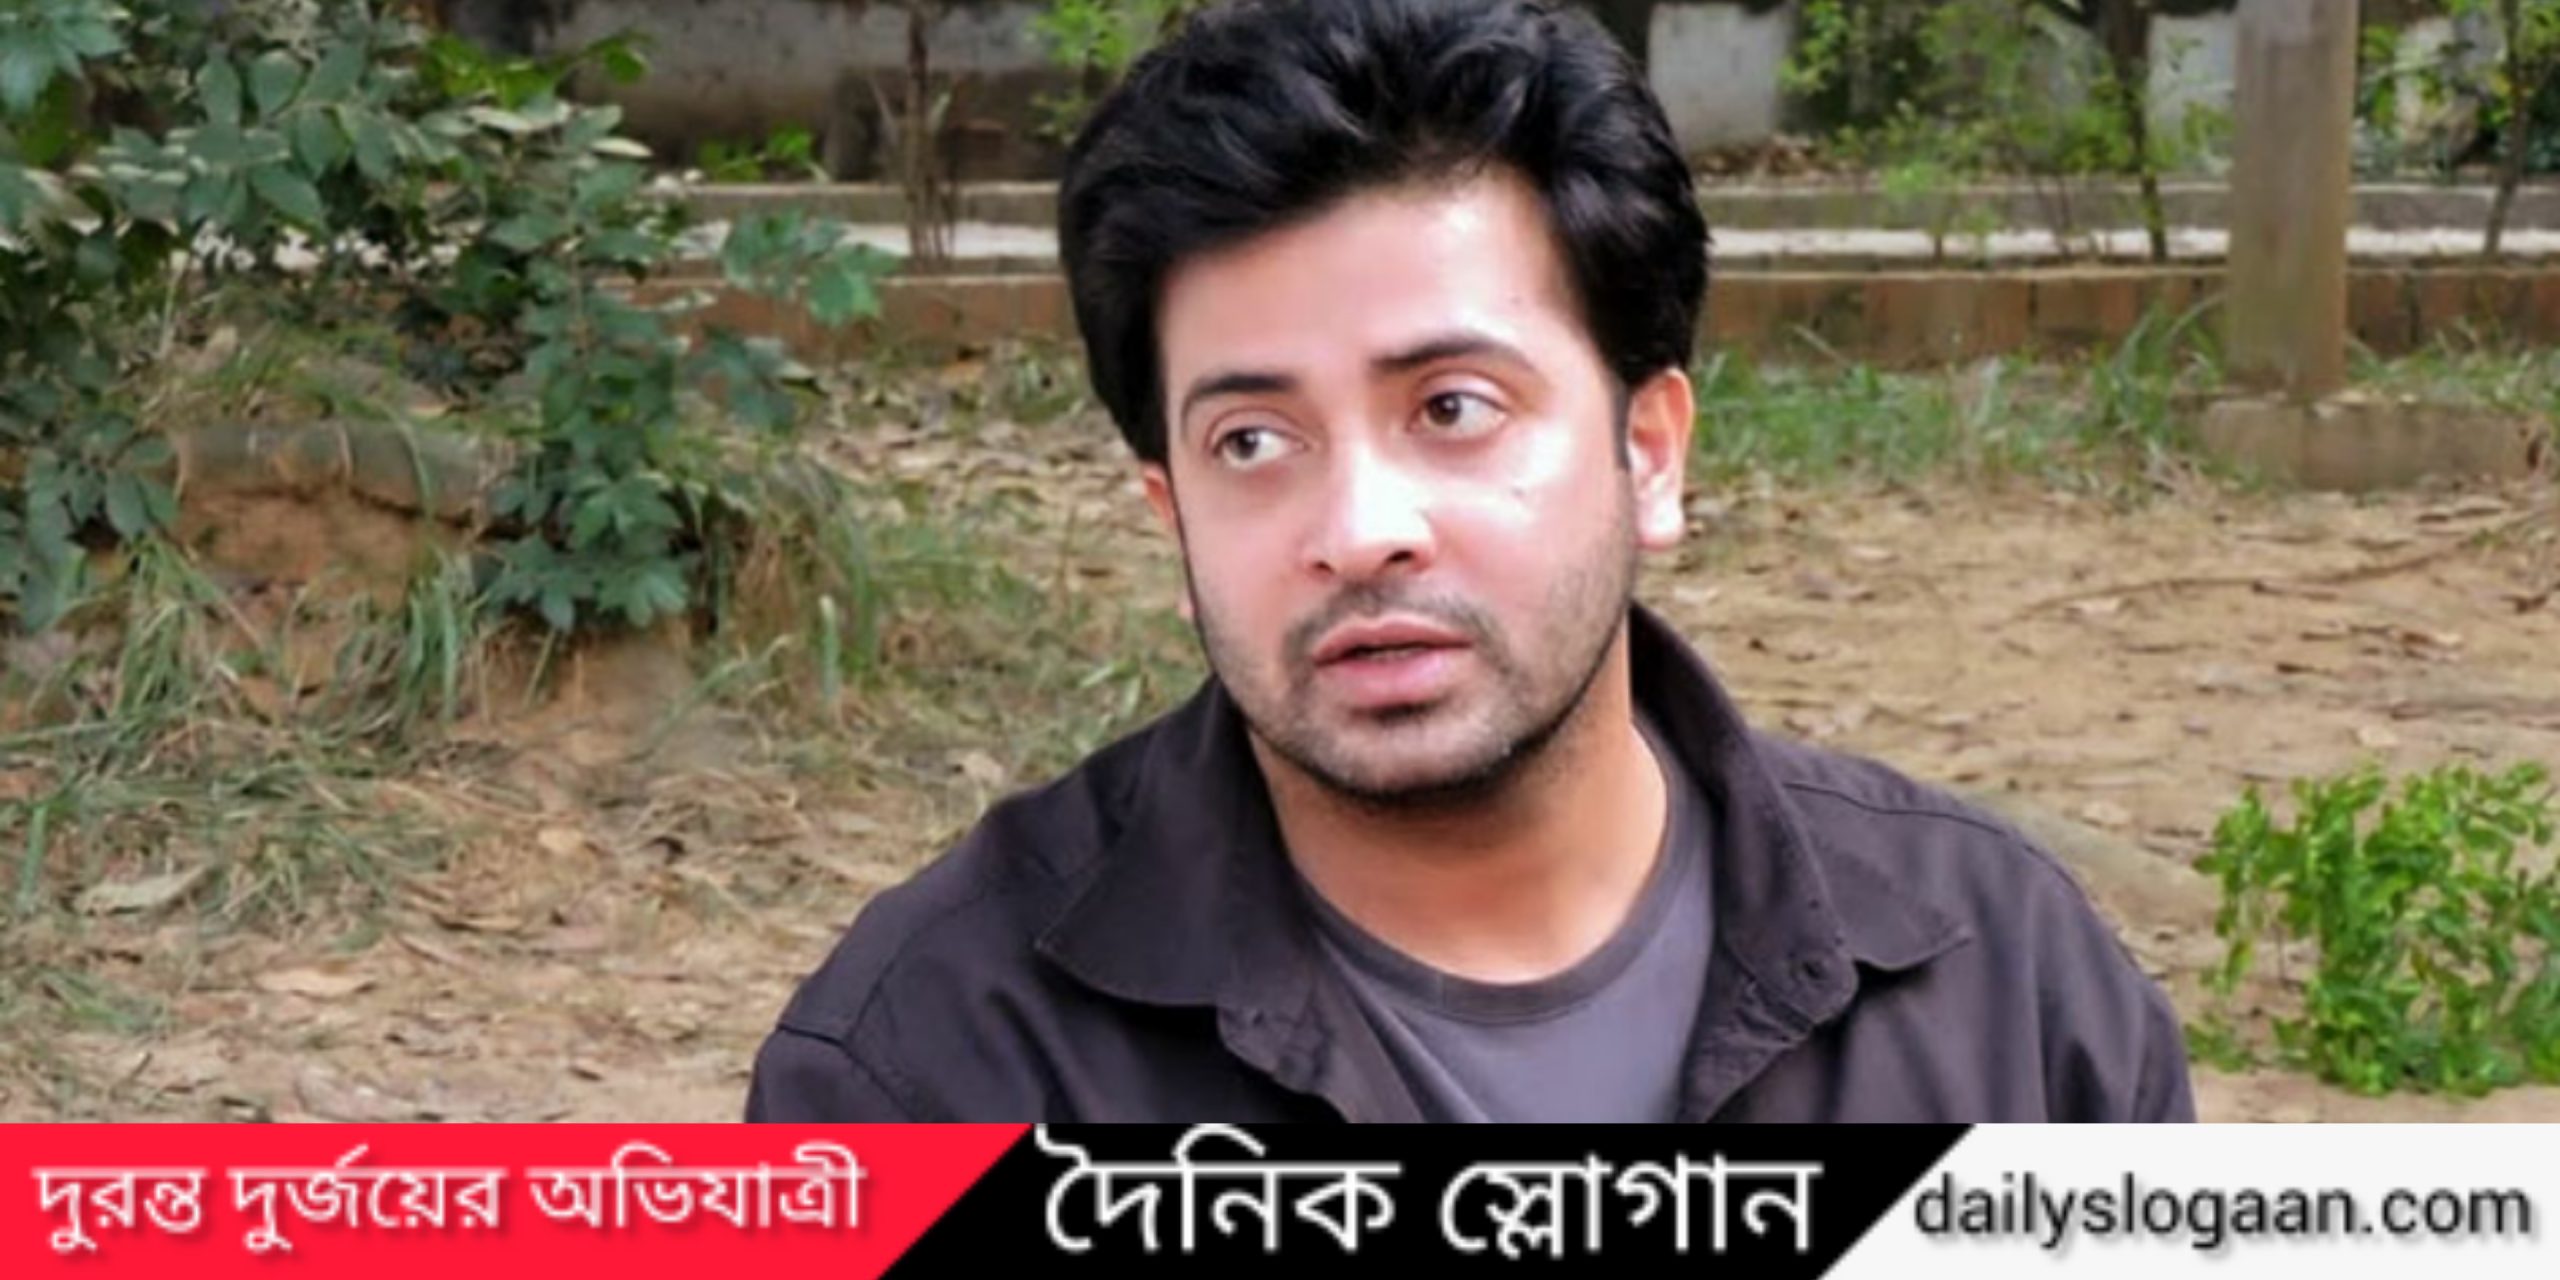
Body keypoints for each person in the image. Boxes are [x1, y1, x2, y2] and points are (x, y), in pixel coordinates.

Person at [746, 0, 2194, 1122]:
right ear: (1170, 514)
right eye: (1253, 440)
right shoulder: (927, 1067)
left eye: (1452, 409)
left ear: (1649, 453)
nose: (1358, 528)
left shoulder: (2008, 994)